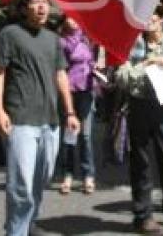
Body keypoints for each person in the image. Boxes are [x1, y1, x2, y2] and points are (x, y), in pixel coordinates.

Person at [0, 0, 81, 236]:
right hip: (20, 119)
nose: (42, 7)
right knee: (21, 185)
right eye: (36, 2)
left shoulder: (53, 39)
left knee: (42, 181)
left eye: (45, 3)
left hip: (50, 121)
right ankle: (16, 232)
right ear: (23, 8)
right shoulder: (10, 34)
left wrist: (70, 112)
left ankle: (28, 224)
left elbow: (61, 74)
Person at [115, 5, 163, 234]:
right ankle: (142, 216)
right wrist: (147, 64)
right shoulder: (131, 44)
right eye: (144, 16)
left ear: (162, 20)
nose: (149, 20)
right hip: (139, 105)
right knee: (141, 162)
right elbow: (122, 77)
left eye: (154, 16)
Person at [57, 16, 98, 195]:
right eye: (68, 16)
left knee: (86, 135)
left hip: (87, 90)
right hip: (69, 90)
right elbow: (59, 69)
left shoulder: (88, 38)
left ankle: (88, 175)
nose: (72, 20)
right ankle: (68, 174)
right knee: (70, 135)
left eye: (75, 16)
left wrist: (97, 69)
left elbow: (92, 60)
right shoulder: (61, 42)